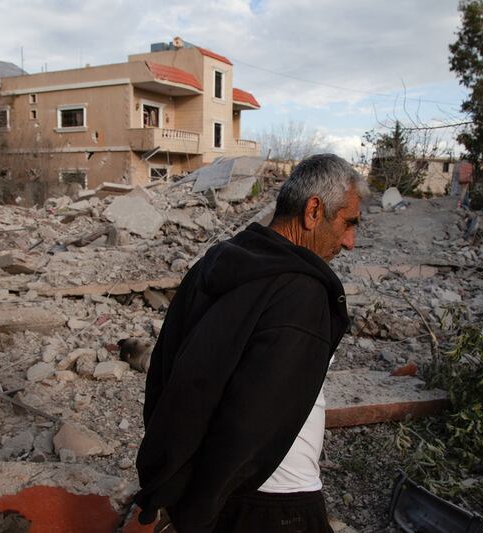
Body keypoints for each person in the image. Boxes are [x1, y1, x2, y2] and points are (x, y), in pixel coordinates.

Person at [134, 154, 368, 533]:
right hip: (274, 502)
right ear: (313, 211)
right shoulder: (301, 293)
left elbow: (165, 375)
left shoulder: (214, 265)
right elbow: (252, 423)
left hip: (205, 494)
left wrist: (174, 487)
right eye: (348, 223)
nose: (350, 241)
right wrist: (203, 510)